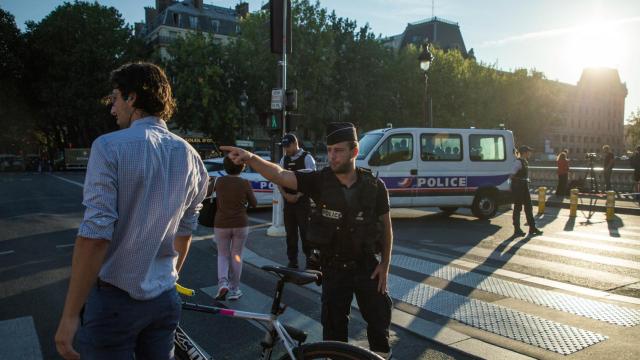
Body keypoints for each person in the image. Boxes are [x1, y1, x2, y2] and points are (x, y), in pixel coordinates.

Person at [54, 62, 209, 360]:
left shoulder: (109, 147)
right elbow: (186, 231)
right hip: (164, 299)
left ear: (132, 97)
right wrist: (167, 278)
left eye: (115, 98)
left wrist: (70, 314)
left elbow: (96, 235)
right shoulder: (191, 156)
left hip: (115, 301)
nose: (112, 109)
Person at [221, 122, 394, 359]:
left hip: (367, 267)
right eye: (330, 149)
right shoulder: (319, 181)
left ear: (354, 152)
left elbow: (386, 227)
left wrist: (385, 264)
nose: (332, 156)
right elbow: (281, 174)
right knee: (333, 336)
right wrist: (250, 158)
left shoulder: (375, 186)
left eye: (338, 150)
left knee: (379, 326)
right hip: (333, 270)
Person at [214, 157, 257, 300]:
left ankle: (222, 284)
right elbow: (254, 203)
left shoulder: (218, 181)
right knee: (237, 255)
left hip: (221, 223)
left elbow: (207, 194)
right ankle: (234, 289)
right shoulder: (244, 183)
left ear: (225, 167)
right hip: (240, 223)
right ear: (242, 167)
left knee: (222, 255)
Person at [278, 133, 316, 269]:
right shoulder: (284, 159)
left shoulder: (307, 158)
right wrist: (285, 195)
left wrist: (298, 195)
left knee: (306, 233)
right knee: (290, 234)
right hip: (288, 202)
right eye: (284, 147)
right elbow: (279, 179)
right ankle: (292, 262)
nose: (286, 149)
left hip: (302, 202)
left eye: (288, 146)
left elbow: (312, 181)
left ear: (295, 144)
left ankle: (310, 261)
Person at [511, 145, 543, 237]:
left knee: (529, 207)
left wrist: (525, 180)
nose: (530, 153)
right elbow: (511, 175)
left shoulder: (525, 161)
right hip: (518, 188)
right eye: (529, 151)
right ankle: (517, 229)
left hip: (524, 187)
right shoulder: (518, 162)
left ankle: (532, 228)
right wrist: (521, 180)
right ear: (525, 153)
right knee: (518, 208)